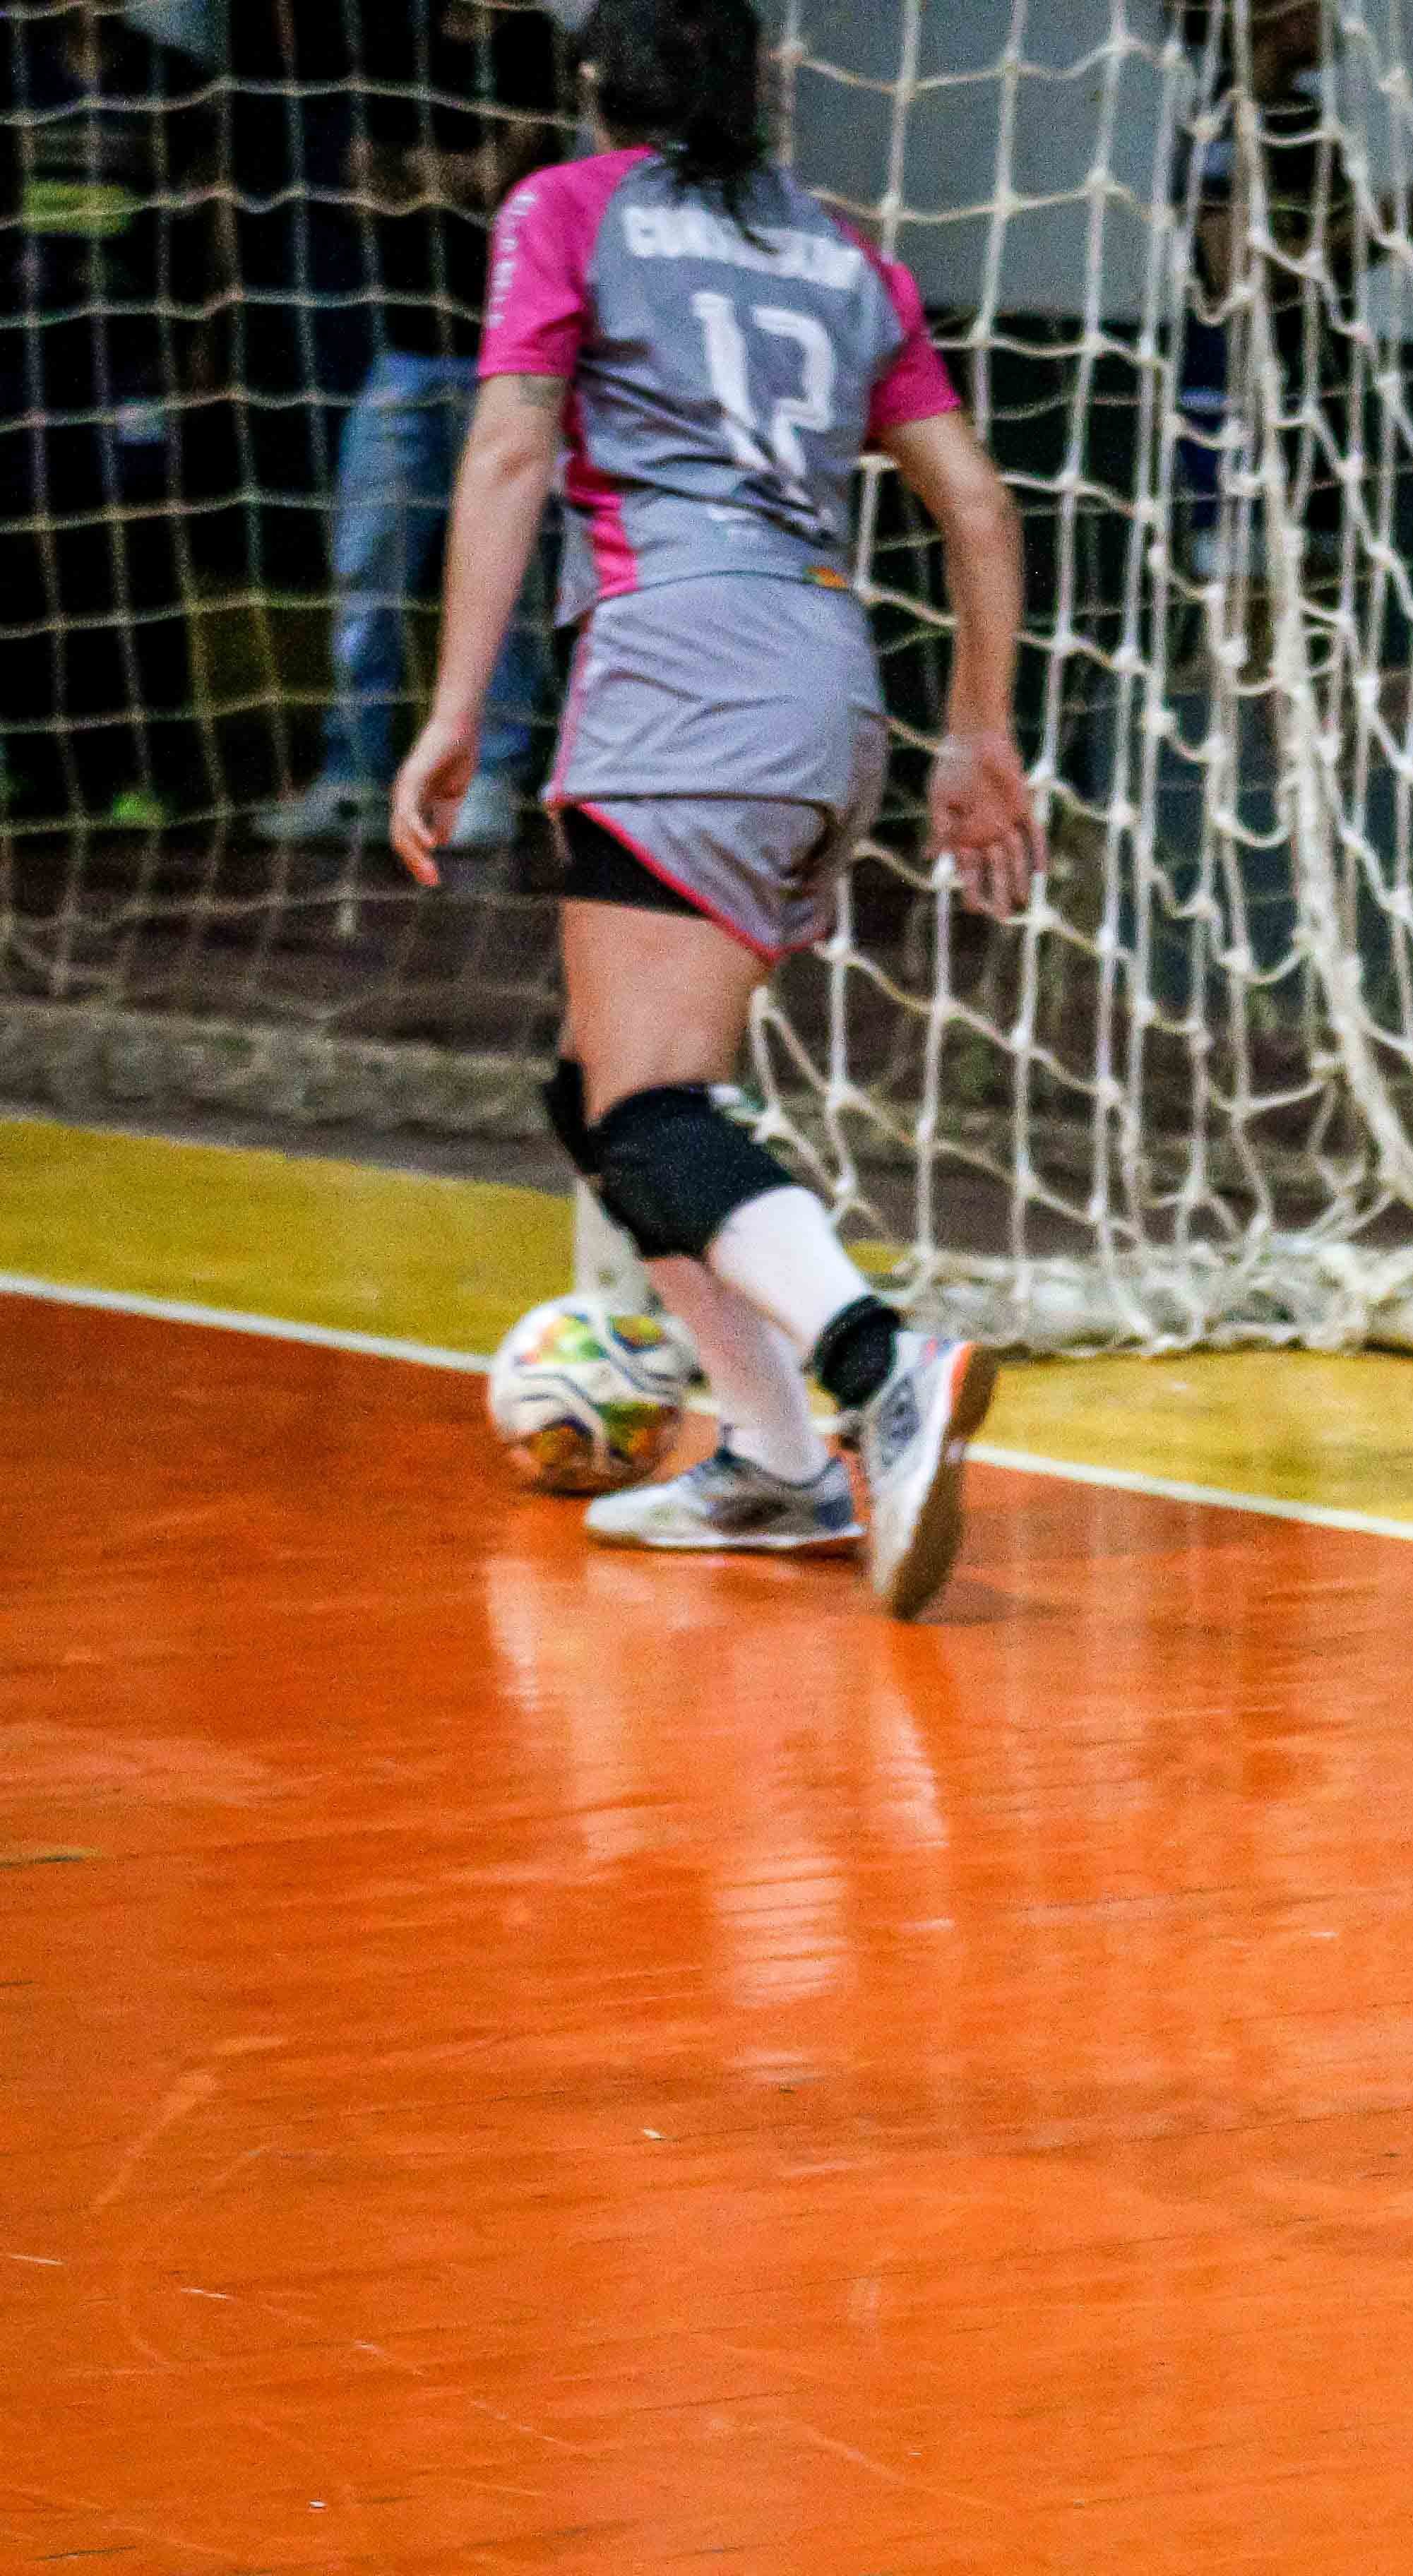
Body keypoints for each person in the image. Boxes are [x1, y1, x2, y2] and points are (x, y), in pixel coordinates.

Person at [387, 0, 1043, 1619]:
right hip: (832, 689)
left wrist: (455, 709)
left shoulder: (569, 207)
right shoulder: (844, 250)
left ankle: (874, 1364)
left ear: (603, 86)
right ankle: (767, 1464)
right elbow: (970, 500)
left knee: (647, 1111)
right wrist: (979, 739)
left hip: (677, 670)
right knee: (597, 1093)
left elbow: (510, 452)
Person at [256, 0, 567, 853]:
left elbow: (507, 180)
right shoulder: (398, 42)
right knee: (368, 568)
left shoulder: (535, 45)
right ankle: (350, 774)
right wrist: (450, 176)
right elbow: (363, 188)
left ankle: (491, 779)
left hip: (509, 362)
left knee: (506, 578)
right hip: (404, 353)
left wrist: (416, 177)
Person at [0, 0, 222, 829]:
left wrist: (206, 340)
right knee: (23, 546)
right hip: (25, 354)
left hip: (133, 355)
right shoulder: (15, 69)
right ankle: (28, 755)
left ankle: (150, 763)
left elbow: (210, 223)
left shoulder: (176, 83)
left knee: (133, 553)